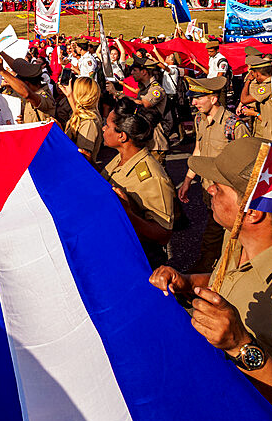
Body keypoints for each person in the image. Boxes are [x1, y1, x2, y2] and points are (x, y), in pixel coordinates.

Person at [150, 137, 272, 420]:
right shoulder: (236, 236)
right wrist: (189, 283)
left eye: (219, 186)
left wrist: (241, 345)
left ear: (252, 212)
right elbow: (227, 281)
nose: (210, 189)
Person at [178, 76, 251, 272]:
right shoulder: (199, 119)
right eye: (192, 98)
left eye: (198, 98)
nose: (193, 102)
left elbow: (246, 165)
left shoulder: (234, 126)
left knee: (222, 236)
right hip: (207, 190)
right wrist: (187, 181)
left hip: (228, 196)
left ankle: (209, 273)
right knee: (216, 231)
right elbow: (198, 150)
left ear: (214, 98)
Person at [100, 98, 175, 268]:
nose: (103, 128)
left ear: (122, 136)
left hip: (141, 257)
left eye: (108, 125)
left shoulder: (152, 177)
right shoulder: (120, 159)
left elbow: (163, 234)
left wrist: (129, 215)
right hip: (117, 247)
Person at [238, 47, 272, 142]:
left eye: (253, 74)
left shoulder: (267, 86)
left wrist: (248, 81)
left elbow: (244, 99)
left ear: (257, 74)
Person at [0, 53, 57, 123]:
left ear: (26, 84)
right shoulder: (30, 90)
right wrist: (0, 52)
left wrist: (2, 71)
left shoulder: (45, 97)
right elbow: (17, 67)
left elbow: (27, 94)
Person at [130, 54, 170, 162]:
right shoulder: (144, 89)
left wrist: (119, 94)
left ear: (144, 72)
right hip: (144, 137)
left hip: (155, 142)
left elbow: (144, 103)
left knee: (158, 176)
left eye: (134, 70)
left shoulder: (156, 89)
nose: (132, 73)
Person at [62, 76, 103, 162]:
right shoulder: (85, 114)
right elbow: (79, 112)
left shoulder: (89, 124)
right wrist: (69, 96)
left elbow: (81, 158)